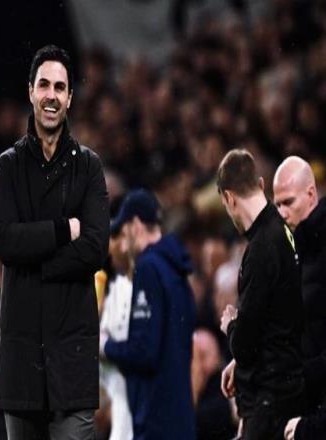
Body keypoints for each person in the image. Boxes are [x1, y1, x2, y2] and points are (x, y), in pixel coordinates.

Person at [0, 45, 109, 439]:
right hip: (22, 364)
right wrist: (60, 231)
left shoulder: (89, 166)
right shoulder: (8, 166)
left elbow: (95, 248)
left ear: (70, 97)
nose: (51, 95)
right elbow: (5, 241)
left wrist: (34, 263)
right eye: (44, 85)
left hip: (72, 362)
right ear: (30, 92)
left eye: (60, 87)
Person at [217, 149, 304, 440]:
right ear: (262, 184)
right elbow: (278, 320)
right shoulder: (283, 231)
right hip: (287, 389)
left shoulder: (260, 249)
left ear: (229, 198)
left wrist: (231, 325)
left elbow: (245, 345)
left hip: (269, 400)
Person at [102, 189, 196, 440]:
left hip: (156, 420)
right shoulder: (177, 269)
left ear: (135, 225)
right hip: (180, 418)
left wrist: (105, 346)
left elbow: (144, 351)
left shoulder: (148, 268)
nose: (124, 241)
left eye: (124, 231)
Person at [273, 156, 326, 439]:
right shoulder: (294, 255)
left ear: (311, 194)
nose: (282, 213)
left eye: (288, 202)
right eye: (277, 205)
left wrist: (313, 426)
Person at [99, 227, 134, 440]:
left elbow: (139, 350)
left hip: (136, 411)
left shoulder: (146, 287)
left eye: (115, 237)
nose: (111, 245)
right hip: (117, 412)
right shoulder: (113, 288)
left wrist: (103, 346)